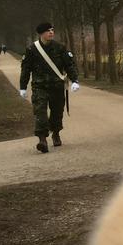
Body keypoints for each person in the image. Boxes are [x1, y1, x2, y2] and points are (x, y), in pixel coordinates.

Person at [19, 22, 80, 153]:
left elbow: (69, 65)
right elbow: (25, 69)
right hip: (39, 86)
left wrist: (75, 80)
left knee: (57, 112)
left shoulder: (60, 47)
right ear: (41, 34)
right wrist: (22, 87)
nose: (51, 32)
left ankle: (56, 133)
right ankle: (42, 140)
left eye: (52, 30)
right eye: (48, 31)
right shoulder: (32, 50)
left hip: (57, 86)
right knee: (40, 111)